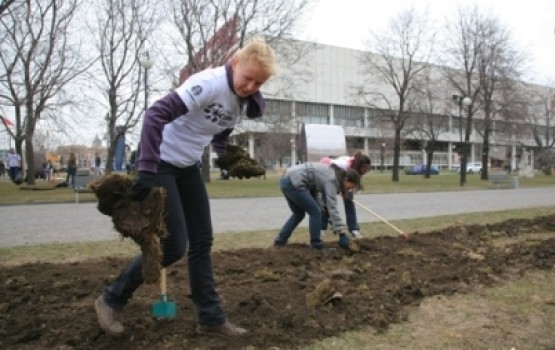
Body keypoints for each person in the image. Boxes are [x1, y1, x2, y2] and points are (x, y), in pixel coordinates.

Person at [94, 37, 276, 338]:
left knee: (202, 240)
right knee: (173, 246)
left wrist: (225, 154)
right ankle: (111, 298)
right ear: (234, 63)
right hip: (161, 161)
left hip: (187, 167)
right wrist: (148, 167)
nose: (250, 87)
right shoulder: (209, 84)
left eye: (258, 83)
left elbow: (222, 128)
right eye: (248, 78)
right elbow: (155, 115)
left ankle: (210, 318)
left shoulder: (242, 100)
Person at [273, 163, 362, 251]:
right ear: (346, 180)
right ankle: (316, 245)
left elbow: (315, 192)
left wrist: (326, 211)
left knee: (298, 214)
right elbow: (332, 208)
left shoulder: (333, 174)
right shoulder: (333, 180)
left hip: (286, 180)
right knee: (315, 212)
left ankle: (280, 241)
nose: (349, 189)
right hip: (294, 181)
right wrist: (341, 234)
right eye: (351, 186)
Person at [320, 152, 372, 238]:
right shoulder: (344, 165)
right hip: (327, 176)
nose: (366, 171)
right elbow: (326, 165)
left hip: (342, 180)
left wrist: (346, 192)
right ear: (361, 166)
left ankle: (354, 229)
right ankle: (321, 228)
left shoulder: (357, 170)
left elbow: (353, 184)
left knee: (349, 201)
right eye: (366, 169)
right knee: (326, 203)